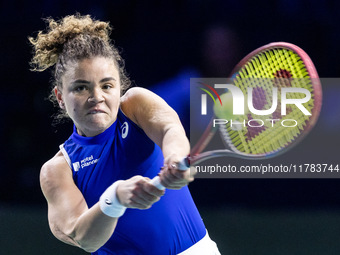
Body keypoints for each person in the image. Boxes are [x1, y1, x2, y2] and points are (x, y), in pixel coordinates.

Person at [29, 14, 220, 255]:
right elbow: (84, 238)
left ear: (120, 87)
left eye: (107, 85)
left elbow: (170, 129)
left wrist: (175, 160)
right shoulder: (57, 170)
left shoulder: (135, 105)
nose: (97, 96)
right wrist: (115, 198)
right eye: (80, 87)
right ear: (59, 97)